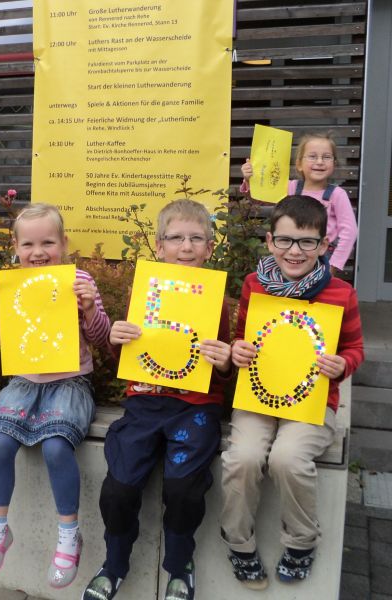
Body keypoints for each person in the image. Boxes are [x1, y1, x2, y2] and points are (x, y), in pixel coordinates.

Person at [82, 199, 233, 600]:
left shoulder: (215, 299)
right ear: (159, 245)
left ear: (209, 247)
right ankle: (114, 564)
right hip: (145, 406)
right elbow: (130, 357)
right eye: (176, 237)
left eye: (196, 238)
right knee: (118, 488)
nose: (186, 246)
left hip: (195, 408)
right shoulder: (144, 291)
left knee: (184, 490)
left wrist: (224, 362)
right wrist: (117, 341)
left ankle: (180, 564)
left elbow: (227, 368)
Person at [221, 194, 364, 588]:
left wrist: (343, 364)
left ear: (323, 246)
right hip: (258, 397)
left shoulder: (341, 293)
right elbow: (240, 340)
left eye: (306, 242)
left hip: (312, 400)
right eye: (284, 240)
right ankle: (238, 541)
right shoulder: (254, 285)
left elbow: (354, 350)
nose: (294, 251)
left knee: (288, 458)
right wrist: (239, 350)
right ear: (269, 241)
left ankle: (302, 540)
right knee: (244, 458)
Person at [0, 203, 112, 589]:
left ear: (64, 243)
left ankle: (69, 534)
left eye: (48, 242)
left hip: (71, 382)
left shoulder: (79, 280)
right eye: (29, 243)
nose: (38, 252)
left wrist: (88, 309)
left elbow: (101, 339)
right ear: (15, 247)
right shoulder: (10, 284)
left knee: (56, 447)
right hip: (24, 382)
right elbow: (2, 343)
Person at [240, 132, 358, 274]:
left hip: (322, 258)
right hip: (290, 254)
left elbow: (349, 231)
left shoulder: (337, 195)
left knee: (316, 295)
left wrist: (335, 264)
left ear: (334, 163)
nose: (320, 161)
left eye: (326, 157)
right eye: (312, 156)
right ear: (299, 164)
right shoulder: (290, 187)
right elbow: (259, 199)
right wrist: (249, 179)